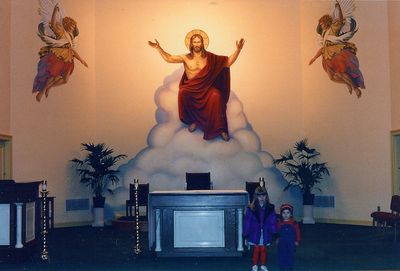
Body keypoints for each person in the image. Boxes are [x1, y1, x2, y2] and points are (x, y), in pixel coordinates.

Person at [148, 29, 244, 141]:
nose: (197, 44)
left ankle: (221, 128)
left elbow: (228, 62)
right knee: (184, 92)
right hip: (191, 89)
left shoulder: (210, 58)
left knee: (216, 95)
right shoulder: (185, 58)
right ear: (191, 44)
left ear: (203, 43)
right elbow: (169, 58)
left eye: (199, 42)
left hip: (207, 88)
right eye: (195, 42)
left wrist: (238, 50)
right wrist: (158, 48)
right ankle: (194, 121)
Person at [32, 3, 88, 102]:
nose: (72, 28)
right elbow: (53, 24)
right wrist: (54, 11)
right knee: (55, 77)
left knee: (65, 80)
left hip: (69, 59)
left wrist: (81, 60)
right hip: (59, 57)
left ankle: (48, 88)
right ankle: (42, 91)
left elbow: (73, 50)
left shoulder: (70, 36)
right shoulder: (60, 31)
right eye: (71, 26)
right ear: (67, 25)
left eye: (73, 27)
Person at [309, 0, 365, 98]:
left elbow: (339, 19)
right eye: (321, 25)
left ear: (326, 22)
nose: (321, 26)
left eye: (322, 24)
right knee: (331, 77)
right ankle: (348, 84)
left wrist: (339, 7)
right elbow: (323, 48)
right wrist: (314, 58)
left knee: (341, 72)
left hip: (336, 53)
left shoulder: (334, 28)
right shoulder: (324, 34)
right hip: (327, 56)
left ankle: (355, 88)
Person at [243, 185, 277, 271]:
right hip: (255, 233)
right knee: (256, 249)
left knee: (264, 250)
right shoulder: (251, 208)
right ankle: (254, 264)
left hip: (265, 233)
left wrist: (274, 232)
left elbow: (273, 221)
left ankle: (263, 264)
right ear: (256, 196)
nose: (261, 198)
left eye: (263, 195)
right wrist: (245, 234)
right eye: (259, 195)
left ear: (266, 196)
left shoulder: (270, 208)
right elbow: (247, 222)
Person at [276, 204, 301, 271]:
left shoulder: (294, 223)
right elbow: (277, 231)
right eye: (284, 213)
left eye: (288, 213)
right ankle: (282, 267)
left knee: (290, 254)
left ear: (291, 214)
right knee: (281, 254)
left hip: (291, 241)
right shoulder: (279, 222)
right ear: (281, 214)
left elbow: (298, 232)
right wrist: (277, 238)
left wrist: (297, 241)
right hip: (282, 241)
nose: (286, 215)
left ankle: (290, 267)